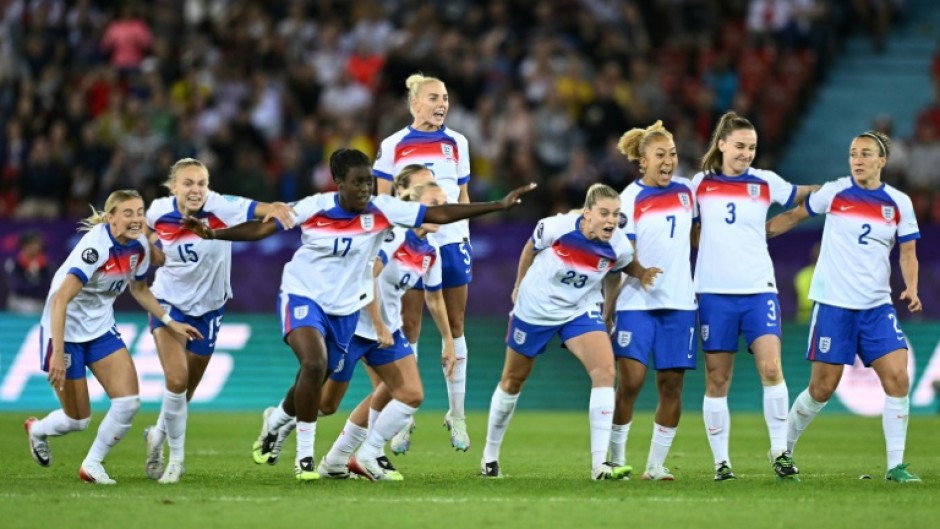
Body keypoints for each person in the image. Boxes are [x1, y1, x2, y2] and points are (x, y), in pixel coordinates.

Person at [182, 148, 535, 481]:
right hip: (304, 295)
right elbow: (265, 227)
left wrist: (497, 206)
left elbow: (438, 215)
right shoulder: (314, 207)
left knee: (330, 398)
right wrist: (215, 233)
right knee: (315, 366)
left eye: (369, 181)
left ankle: (284, 423)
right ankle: (306, 456)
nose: (366, 188)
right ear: (339, 183)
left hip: (346, 309)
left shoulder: (383, 212)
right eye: (358, 182)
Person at [766, 130, 922, 483]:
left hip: (876, 307)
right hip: (834, 305)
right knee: (822, 388)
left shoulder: (899, 202)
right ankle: (782, 450)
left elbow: (908, 252)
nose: (857, 159)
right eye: (853, 153)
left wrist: (911, 287)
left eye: (866, 154)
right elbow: (793, 216)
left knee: (898, 377)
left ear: (882, 160)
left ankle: (895, 466)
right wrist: (757, 235)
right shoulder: (835, 192)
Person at [481, 183, 659, 480]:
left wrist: (641, 274)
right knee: (513, 380)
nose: (611, 221)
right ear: (587, 213)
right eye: (604, 213)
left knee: (605, 371)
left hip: (580, 308)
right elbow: (530, 249)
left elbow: (626, 265)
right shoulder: (556, 226)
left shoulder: (618, 243)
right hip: (536, 307)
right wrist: (517, 285)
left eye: (616, 214)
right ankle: (489, 456)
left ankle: (599, 465)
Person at [23, 190, 201, 484]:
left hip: (101, 328)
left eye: (140, 212)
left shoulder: (139, 247)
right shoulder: (95, 249)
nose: (136, 219)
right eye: (128, 213)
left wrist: (170, 322)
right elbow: (60, 301)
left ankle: (92, 464)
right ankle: (38, 429)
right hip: (64, 330)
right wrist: (57, 351)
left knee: (129, 402)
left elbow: (140, 289)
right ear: (111, 219)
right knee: (77, 420)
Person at [142, 158, 294, 483]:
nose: (195, 189)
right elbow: (142, 229)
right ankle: (175, 462)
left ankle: (157, 434)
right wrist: (150, 247)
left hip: (209, 308)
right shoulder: (157, 211)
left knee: (187, 388)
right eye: (188, 183)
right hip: (168, 303)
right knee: (176, 379)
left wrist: (278, 208)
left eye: (201, 183)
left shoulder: (221, 205)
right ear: (174, 187)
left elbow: (260, 211)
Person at [692, 111, 815, 481]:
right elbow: (686, 228)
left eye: (753, 148)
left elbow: (801, 195)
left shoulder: (765, 182)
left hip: (759, 290)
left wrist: (841, 187)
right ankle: (721, 462)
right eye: (741, 146)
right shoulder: (699, 184)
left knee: (771, 368)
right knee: (717, 379)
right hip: (714, 292)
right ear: (722, 145)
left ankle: (780, 451)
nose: (747, 153)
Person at [317, 181, 457, 481]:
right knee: (324, 404)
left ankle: (359, 456)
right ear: (417, 207)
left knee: (409, 393)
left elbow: (434, 298)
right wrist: (378, 324)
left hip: (387, 332)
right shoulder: (394, 235)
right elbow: (368, 275)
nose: (441, 210)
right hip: (354, 324)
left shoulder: (431, 251)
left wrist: (449, 340)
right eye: (434, 203)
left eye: (444, 204)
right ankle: (281, 419)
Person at [373, 73, 473, 451]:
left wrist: (464, 232)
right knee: (410, 326)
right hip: (412, 243)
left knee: (457, 324)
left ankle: (457, 415)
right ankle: (404, 415)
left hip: (453, 242)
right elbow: (383, 199)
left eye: (445, 97)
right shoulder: (393, 145)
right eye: (433, 97)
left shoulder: (457, 142)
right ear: (415, 104)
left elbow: (462, 194)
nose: (441, 104)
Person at [605, 121, 695, 481]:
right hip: (636, 303)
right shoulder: (628, 199)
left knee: (671, 384)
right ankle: (615, 459)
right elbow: (620, 256)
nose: (669, 161)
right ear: (642, 161)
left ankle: (655, 465)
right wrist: (609, 306)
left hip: (679, 302)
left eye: (672, 154)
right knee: (631, 381)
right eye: (660, 155)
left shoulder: (688, 193)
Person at [4, 230, 53, 313]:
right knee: (17, 301)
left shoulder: (47, 265)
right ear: (24, 246)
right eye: (31, 244)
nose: (35, 247)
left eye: (37, 244)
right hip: (20, 301)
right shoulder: (14, 263)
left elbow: (48, 286)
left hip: (40, 302)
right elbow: (16, 287)